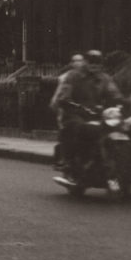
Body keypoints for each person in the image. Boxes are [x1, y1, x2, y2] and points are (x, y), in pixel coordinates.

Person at [50, 50, 123, 178]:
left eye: (97, 62)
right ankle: (70, 162)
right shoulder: (73, 76)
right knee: (76, 126)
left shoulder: (104, 78)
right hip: (76, 112)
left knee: (115, 127)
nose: (94, 65)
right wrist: (68, 103)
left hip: (97, 113)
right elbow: (64, 95)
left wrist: (123, 101)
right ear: (86, 62)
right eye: (91, 62)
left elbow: (114, 92)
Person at [49, 53, 85, 170]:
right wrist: (56, 102)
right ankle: (63, 158)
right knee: (66, 131)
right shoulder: (66, 77)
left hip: (84, 108)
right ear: (71, 63)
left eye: (80, 60)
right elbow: (60, 93)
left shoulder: (88, 76)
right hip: (68, 108)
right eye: (75, 61)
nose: (78, 63)